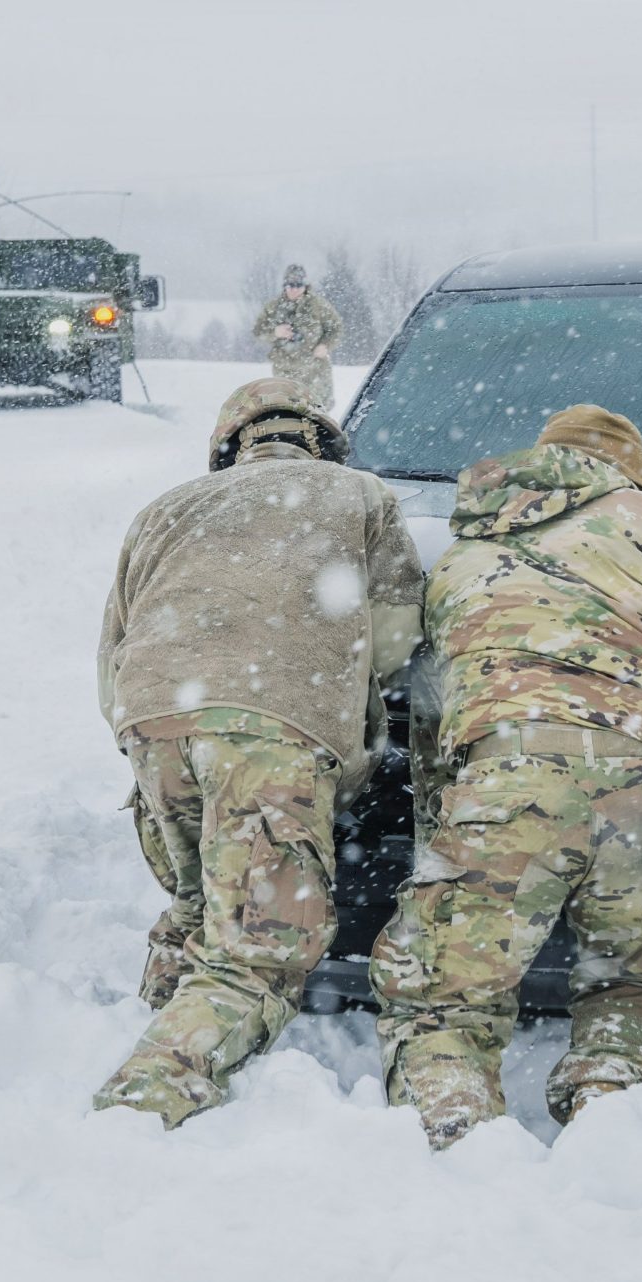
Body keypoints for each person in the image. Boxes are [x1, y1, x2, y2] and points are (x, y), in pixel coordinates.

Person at [370, 406, 642, 1146]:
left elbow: (431, 711)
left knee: (443, 998)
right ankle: (605, 1100)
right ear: (630, 472)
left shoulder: (462, 552)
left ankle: (457, 1137)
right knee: (632, 978)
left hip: (502, 787)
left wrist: (446, 836)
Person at [91, 380, 424, 1127]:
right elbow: (397, 638)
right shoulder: (358, 494)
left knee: (198, 902)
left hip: (150, 724)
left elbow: (111, 655)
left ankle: (156, 1013)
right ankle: (145, 1100)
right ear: (322, 441)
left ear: (228, 446)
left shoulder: (165, 509)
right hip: (271, 731)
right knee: (260, 956)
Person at [256, 263, 344, 410]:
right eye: (290, 285)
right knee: (287, 416)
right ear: (285, 286)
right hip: (285, 373)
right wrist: (274, 332)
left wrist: (325, 345)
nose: (295, 289)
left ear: (305, 284)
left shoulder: (318, 305)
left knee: (319, 416)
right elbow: (258, 331)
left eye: (298, 284)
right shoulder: (273, 307)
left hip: (315, 372)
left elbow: (336, 328)